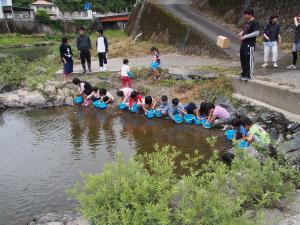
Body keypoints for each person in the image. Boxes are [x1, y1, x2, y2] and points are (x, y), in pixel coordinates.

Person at [238, 8, 259, 80]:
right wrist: (241, 33)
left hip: (250, 44)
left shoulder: (255, 22)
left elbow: (256, 33)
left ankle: (249, 75)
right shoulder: (246, 22)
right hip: (243, 44)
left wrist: (245, 36)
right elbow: (245, 30)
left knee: (249, 59)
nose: (244, 16)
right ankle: (244, 74)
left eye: (246, 14)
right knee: (242, 59)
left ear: (250, 14)